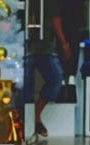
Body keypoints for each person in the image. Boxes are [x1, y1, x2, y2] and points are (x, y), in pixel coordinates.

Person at [23, 0, 71, 137]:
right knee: (25, 82)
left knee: (55, 79)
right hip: (25, 44)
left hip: (45, 45)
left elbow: (55, 18)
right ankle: (26, 121)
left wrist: (63, 42)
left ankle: (35, 116)